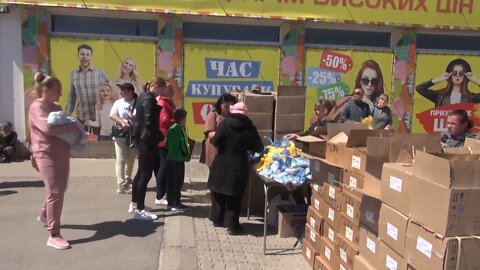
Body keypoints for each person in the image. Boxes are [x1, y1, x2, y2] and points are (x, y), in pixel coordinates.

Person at [29, 72, 82, 250]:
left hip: (61, 152)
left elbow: (61, 126)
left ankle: (45, 214)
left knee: (60, 189)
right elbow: (48, 129)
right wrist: (73, 125)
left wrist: (73, 133)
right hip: (45, 153)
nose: (60, 94)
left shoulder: (56, 106)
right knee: (56, 191)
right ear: (46, 89)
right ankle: (54, 234)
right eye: (57, 91)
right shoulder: (36, 107)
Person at [208, 102, 264, 235]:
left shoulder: (225, 123)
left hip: (221, 162)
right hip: (238, 164)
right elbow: (259, 147)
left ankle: (217, 219)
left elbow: (215, 141)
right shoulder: (250, 128)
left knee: (219, 191)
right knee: (235, 196)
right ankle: (232, 226)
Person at [128, 77, 164, 220]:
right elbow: (150, 122)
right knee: (145, 174)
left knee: (140, 172)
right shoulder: (149, 99)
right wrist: (159, 135)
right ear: (155, 86)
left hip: (141, 139)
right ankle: (140, 210)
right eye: (161, 90)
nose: (161, 93)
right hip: (147, 141)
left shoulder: (143, 95)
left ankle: (134, 204)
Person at [66, 44, 109, 135]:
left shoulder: (101, 74)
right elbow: (72, 98)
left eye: (87, 54)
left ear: (91, 56)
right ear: (78, 56)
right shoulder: (73, 75)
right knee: (84, 147)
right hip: (82, 119)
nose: (85, 57)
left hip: (99, 119)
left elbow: (111, 94)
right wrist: (66, 116)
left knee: (100, 146)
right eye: (82, 54)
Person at [110, 82, 138, 194]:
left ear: (130, 91)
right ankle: (121, 185)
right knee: (121, 159)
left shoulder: (138, 102)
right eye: (121, 91)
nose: (121, 92)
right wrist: (122, 122)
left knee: (131, 159)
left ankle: (127, 179)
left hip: (133, 134)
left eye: (124, 90)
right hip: (120, 134)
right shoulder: (118, 102)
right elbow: (112, 115)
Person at [416, 58, 480, 107]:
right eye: (454, 73)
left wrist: (474, 80)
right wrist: (440, 79)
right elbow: (420, 88)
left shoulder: (471, 97)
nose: (457, 75)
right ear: (450, 75)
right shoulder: (440, 96)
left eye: (461, 73)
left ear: (465, 76)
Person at [165, 108, 190, 211]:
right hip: (176, 159)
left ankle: (173, 201)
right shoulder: (177, 129)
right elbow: (181, 145)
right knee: (176, 181)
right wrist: (186, 153)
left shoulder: (176, 128)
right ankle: (174, 202)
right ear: (182, 119)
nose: (186, 121)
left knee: (174, 181)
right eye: (185, 118)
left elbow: (167, 143)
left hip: (175, 158)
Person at [154, 85, 175, 206]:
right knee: (163, 167)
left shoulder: (166, 102)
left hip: (165, 139)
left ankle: (163, 193)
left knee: (164, 167)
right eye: (170, 90)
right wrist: (177, 120)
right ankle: (160, 195)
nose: (172, 92)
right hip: (164, 140)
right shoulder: (163, 103)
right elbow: (164, 121)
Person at [204, 93, 238, 169]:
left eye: (231, 107)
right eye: (226, 107)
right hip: (215, 152)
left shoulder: (234, 117)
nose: (228, 109)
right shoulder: (213, 115)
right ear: (220, 105)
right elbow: (211, 135)